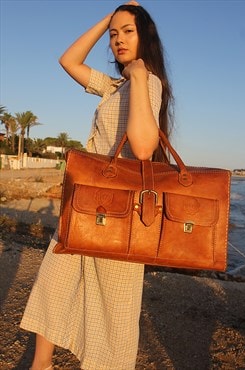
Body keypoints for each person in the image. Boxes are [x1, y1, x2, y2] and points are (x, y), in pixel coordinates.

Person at [20, 2, 174, 369]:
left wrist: (138, 77)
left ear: (146, 37)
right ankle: (41, 365)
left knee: (113, 309)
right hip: (86, 201)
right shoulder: (114, 86)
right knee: (53, 284)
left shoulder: (145, 81)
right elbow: (69, 60)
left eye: (128, 31)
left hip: (120, 212)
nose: (118, 39)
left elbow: (141, 148)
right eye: (113, 34)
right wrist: (112, 15)